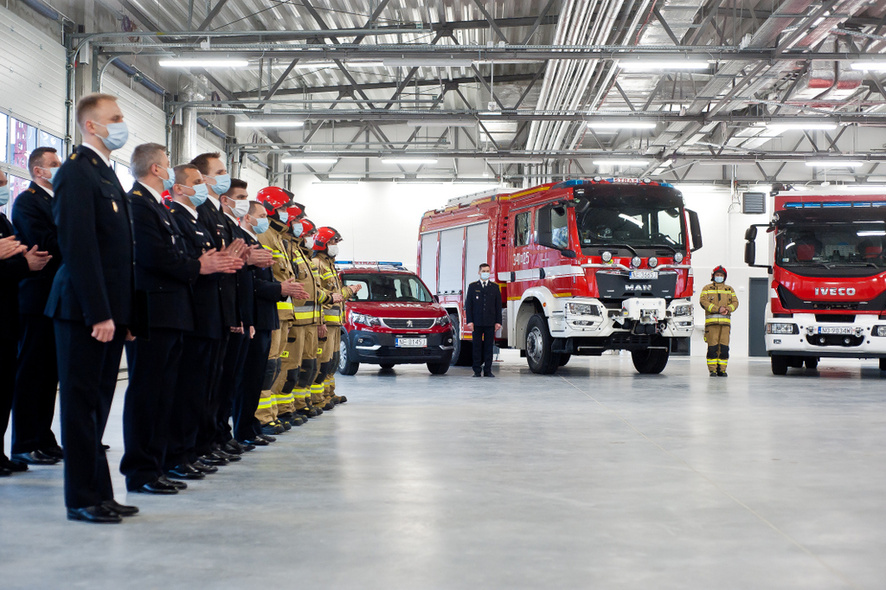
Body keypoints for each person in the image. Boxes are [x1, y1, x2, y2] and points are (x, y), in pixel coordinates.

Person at [120, 144, 238, 495]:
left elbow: (176, 253)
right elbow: (155, 256)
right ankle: (142, 470)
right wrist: (198, 265)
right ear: (157, 169)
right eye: (168, 164)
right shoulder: (137, 204)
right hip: (153, 312)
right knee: (148, 395)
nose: (171, 169)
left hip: (172, 312)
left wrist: (201, 262)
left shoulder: (157, 206)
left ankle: (161, 463)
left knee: (165, 395)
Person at [45, 93, 138, 523]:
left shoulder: (105, 173)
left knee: (98, 404)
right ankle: (81, 498)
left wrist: (125, 316)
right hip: (82, 311)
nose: (121, 124)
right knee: (81, 406)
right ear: (91, 126)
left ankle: (101, 492)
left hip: (108, 312)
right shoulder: (76, 172)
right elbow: (79, 248)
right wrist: (99, 312)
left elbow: (121, 255)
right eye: (114, 118)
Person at [164, 164, 243, 479]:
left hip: (212, 314)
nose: (202, 186)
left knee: (207, 387)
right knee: (190, 389)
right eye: (197, 181)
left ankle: (200, 447)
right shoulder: (177, 216)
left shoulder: (199, 219)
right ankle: (185, 451)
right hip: (195, 314)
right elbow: (185, 265)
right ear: (179, 187)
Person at [233, 201, 304, 445]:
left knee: (258, 376)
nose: (266, 219)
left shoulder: (259, 243)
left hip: (266, 316)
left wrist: (282, 289)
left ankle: (250, 428)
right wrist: (279, 289)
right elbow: (249, 284)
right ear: (248, 218)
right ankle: (243, 430)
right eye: (262, 215)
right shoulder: (244, 243)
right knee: (249, 378)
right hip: (253, 317)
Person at [10, 147, 64, 466]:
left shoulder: (59, 201)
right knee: (31, 372)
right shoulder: (28, 201)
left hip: (56, 297)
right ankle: (25, 441)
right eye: (54, 164)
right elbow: (44, 245)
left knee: (49, 374)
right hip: (36, 297)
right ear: (38, 171)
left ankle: (44, 437)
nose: (59, 168)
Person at [1, 170, 51, 476]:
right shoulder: (26, 204)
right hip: (20, 305)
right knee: (26, 376)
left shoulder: (3, 220)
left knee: (10, 385)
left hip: (12, 311)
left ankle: (10, 450)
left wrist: (21, 258)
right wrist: (23, 262)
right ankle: (24, 441)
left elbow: (16, 253)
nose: (4, 189)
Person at [312, 226, 360, 407]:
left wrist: (349, 291)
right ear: (323, 243)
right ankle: (318, 398)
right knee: (322, 362)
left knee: (332, 361)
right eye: (333, 242)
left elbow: (336, 294)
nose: (336, 245)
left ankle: (329, 394)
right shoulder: (317, 263)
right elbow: (317, 295)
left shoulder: (329, 265)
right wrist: (320, 321)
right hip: (325, 322)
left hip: (334, 323)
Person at [699, 265, 739, 377]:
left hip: (725, 325)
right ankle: (712, 370)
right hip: (711, 325)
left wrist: (728, 309)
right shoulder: (707, 288)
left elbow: (735, 303)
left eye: (721, 275)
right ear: (713, 276)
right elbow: (703, 302)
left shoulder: (729, 289)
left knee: (724, 348)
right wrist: (718, 309)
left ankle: (722, 370)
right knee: (712, 348)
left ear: (724, 277)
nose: (719, 277)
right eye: (717, 275)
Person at [464, 263, 502, 377]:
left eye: (487, 271)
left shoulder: (494, 287)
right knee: (477, 347)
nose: (486, 273)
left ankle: (488, 370)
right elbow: (469, 305)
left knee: (488, 347)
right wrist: (469, 321)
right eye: (483, 271)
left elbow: (498, 306)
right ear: (479, 272)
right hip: (477, 322)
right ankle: (476, 370)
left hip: (490, 322)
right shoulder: (473, 287)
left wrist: (498, 322)